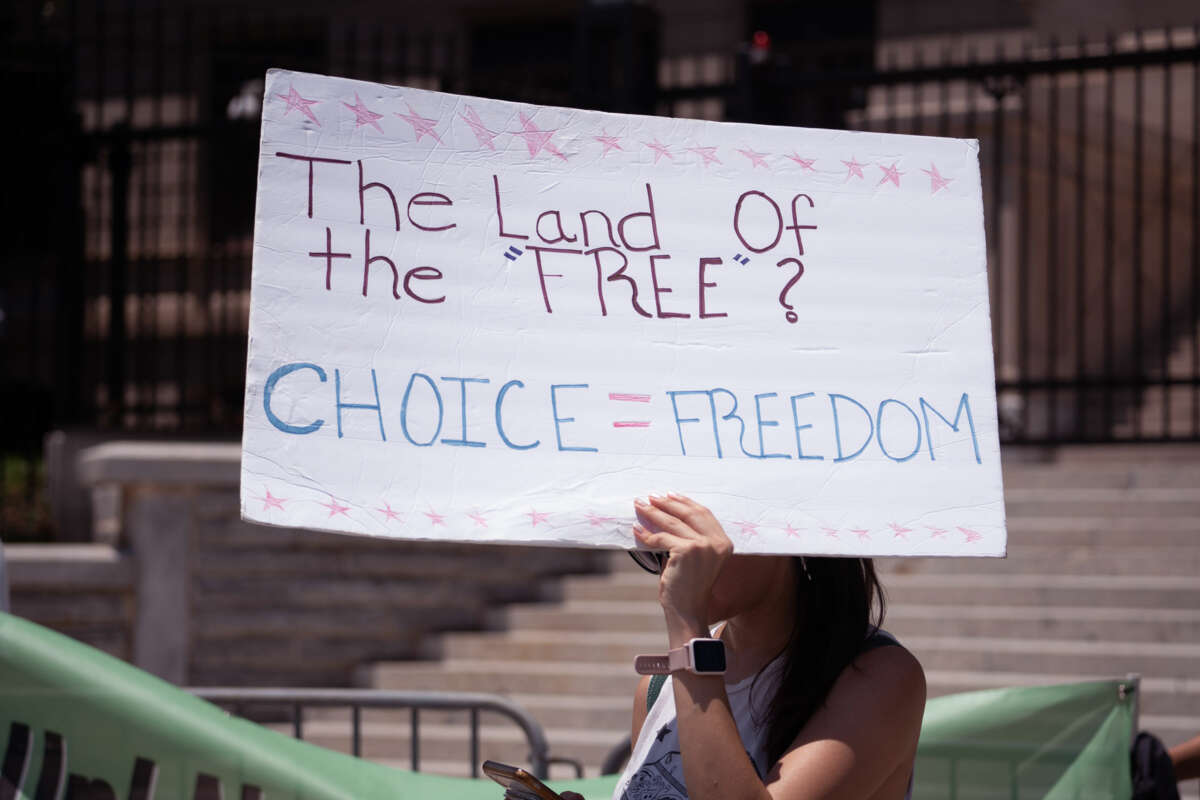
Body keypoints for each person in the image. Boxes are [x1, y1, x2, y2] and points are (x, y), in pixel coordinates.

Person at [602, 493, 925, 800]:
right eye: (657, 551)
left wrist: (687, 622)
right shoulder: (657, 688)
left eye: (696, 545)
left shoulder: (881, 677)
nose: (668, 569)